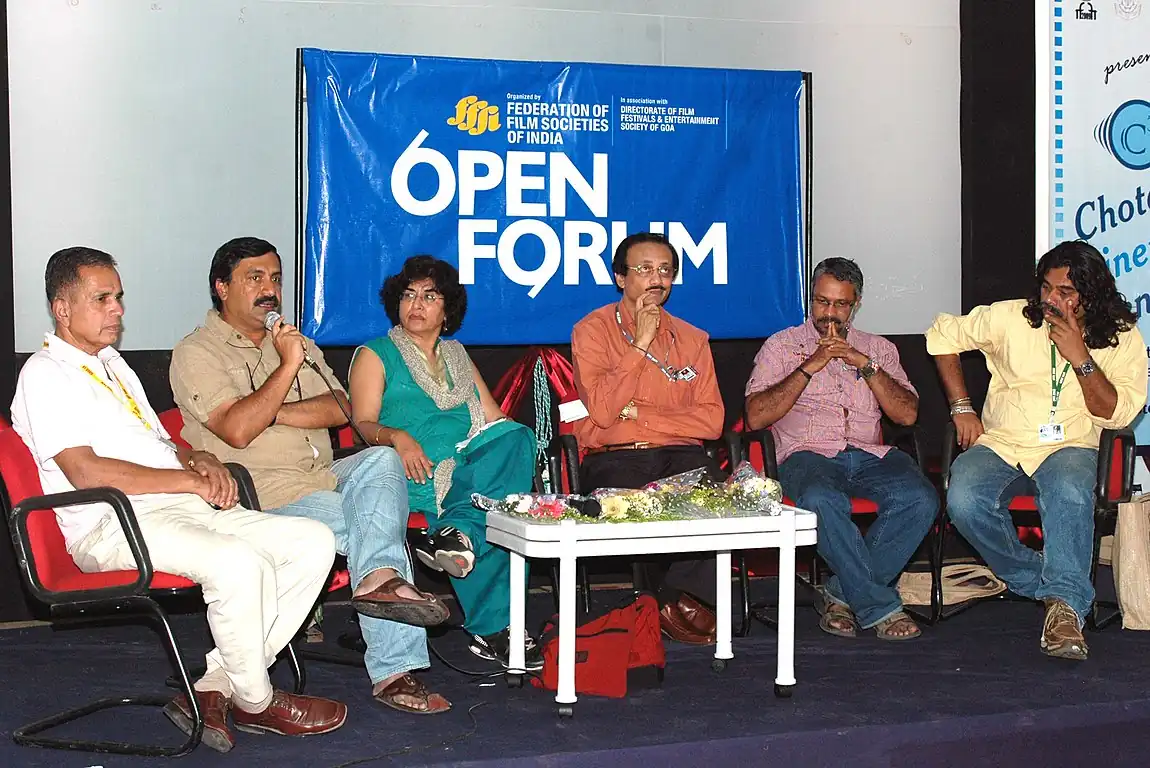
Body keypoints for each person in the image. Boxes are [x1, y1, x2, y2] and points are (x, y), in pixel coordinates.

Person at [11, 247, 347, 753]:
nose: (118, 310)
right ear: (63, 309)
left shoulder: (111, 364)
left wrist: (195, 461)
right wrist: (186, 483)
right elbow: (86, 471)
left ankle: (214, 686)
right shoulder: (45, 373)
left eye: (119, 298)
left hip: (174, 509)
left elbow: (160, 444)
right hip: (112, 524)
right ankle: (257, 701)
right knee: (238, 562)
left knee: (313, 541)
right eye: (102, 299)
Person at [170, 237, 452, 715]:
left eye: (275, 279)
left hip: (323, 476)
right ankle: (395, 670)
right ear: (221, 287)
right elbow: (237, 430)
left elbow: (339, 409)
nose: (269, 290)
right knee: (375, 529)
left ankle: (377, 581)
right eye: (254, 278)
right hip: (260, 492)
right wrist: (287, 368)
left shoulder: (296, 342)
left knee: (382, 460)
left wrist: (269, 408)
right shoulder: (197, 352)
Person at [927, 240, 1147, 661]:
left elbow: (1117, 414)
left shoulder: (1120, 336)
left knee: (1067, 489)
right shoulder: (1011, 316)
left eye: (1066, 292)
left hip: (1071, 444)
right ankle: (1041, 581)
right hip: (1004, 441)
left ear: (1092, 294)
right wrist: (961, 407)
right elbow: (941, 335)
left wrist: (1080, 356)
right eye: (1047, 287)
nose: (1051, 299)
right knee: (964, 497)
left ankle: (1065, 611)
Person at [347, 255, 542, 669]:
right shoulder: (375, 354)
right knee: (492, 505)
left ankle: (458, 535)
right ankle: (495, 628)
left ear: (447, 309)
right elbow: (361, 423)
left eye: (429, 296)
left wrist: (512, 458)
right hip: (413, 472)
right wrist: (398, 437)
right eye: (408, 295)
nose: (416, 304)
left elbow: (493, 420)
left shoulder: (458, 356)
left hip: (468, 471)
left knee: (517, 438)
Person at [744, 257, 937, 640]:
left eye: (840, 304)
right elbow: (754, 417)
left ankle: (838, 594)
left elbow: (907, 415)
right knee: (821, 499)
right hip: (806, 455)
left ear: (856, 304)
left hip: (870, 455)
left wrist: (865, 365)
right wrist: (809, 367)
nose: (829, 314)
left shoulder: (877, 349)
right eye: (821, 302)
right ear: (810, 300)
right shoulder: (781, 347)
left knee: (922, 499)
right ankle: (880, 608)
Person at [570, 232, 724, 646]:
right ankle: (676, 603)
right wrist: (639, 344)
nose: (656, 279)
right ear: (620, 278)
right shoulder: (593, 331)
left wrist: (641, 414)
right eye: (644, 269)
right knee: (634, 502)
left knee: (713, 496)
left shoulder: (693, 339)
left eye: (665, 270)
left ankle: (669, 598)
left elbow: (711, 423)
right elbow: (603, 411)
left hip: (682, 455)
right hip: (616, 455)